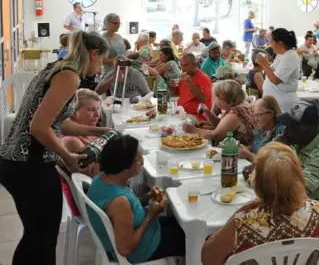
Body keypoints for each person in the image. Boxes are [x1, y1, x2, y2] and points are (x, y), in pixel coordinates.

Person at [0, 31, 111, 264]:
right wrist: (67, 155)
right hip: (30, 164)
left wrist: (97, 131)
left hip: (14, 162)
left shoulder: (57, 66)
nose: (100, 68)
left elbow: (57, 121)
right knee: (44, 239)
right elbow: (39, 127)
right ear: (93, 54)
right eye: (101, 61)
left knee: (34, 235)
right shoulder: (70, 77)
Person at [201, 142, 319, 265]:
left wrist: (235, 216)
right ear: (299, 177)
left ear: (257, 182)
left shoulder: (242, 223)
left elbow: (207, 260)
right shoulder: (318, 211)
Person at [88, 135, 185, 262]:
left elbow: (129, 210)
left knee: (179, 223)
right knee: (193, 237)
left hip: (146, 231)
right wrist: (151, 215)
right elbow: (125, 249)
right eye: (140, 160)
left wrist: (146, 197)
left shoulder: (101, 179)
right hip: (142, 249)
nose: (142, 163)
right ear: (126, 166)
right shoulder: (119, 202)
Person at [277, 101, 319, 230]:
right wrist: (277, 147)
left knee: (264, 228)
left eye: (290, 126)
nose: (285, 131)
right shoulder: (300, 140)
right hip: (303, 202)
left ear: (305, 129)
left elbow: (297, 192)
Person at [184, 80, 257, 146]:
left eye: (216, 97)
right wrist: (208, 113)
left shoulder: (235, 114)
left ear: (223, 99)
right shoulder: (241, 104)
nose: (215, 100)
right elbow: (222, 126)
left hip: (237, 152)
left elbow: (216, 135)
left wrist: (192, 130)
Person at [257, 28, 300, 111]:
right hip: (274, 101)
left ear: (280, 43)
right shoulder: (281, 54)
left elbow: (276, 80)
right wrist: (266, 63)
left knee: (281, 124)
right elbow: (272, 72)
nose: (270, 44)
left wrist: (265, 64)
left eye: (272, 42)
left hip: (282, 103)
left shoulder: (290, 56)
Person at [238, 96, 286, 161]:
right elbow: (254, 147)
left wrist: (249, 155)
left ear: (271, 114)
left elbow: (272, 163)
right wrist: (240, 148)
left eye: (259, 115)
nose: (255, 119)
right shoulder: (262, 130)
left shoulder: (281, 132)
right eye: (254, 115)